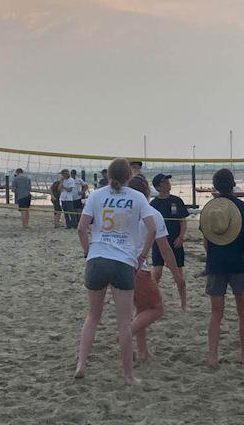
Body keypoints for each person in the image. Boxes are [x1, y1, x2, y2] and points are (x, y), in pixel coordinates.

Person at [75, 158, 157, 385]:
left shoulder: (96, 195)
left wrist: (87, 252)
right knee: (123, 323)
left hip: (97, 259)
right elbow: (152, 228)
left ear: (108, 176)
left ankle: (81, 363)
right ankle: (128, 375)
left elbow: (81, 228)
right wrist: (142, 256)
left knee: (93, 317)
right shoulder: (137, 197)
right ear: (129, 176)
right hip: (123, 261)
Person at [127, 175, 186, 362]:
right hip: (137, 268)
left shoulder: (122, 211)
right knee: (156, 309)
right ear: (146, 192)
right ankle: (123, 337)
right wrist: (177, 275)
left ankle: (143, 352)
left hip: (117, 265)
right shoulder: (152, 213)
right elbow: (165, 249)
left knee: (141, 309)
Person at [201, 168, 244, 367]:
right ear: (233, 185)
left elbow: (206, 242)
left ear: (215, 186)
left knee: (216, 313)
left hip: (216, 263)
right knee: (243, 311)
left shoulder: (210, 209)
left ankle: (212, 357)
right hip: (239, 263)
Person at [150, 173, 189, 284]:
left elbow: (183, 221)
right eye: (165, 182)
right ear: (158, 187)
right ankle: (152, 296)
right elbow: (150, 225)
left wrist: (181, 237)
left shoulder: (177, 201)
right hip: (159, 241)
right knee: (157, 272)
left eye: (168, 181)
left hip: (175, 240)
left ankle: (183, 300)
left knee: (178, 273)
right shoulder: (153, 204)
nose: (168, 183)